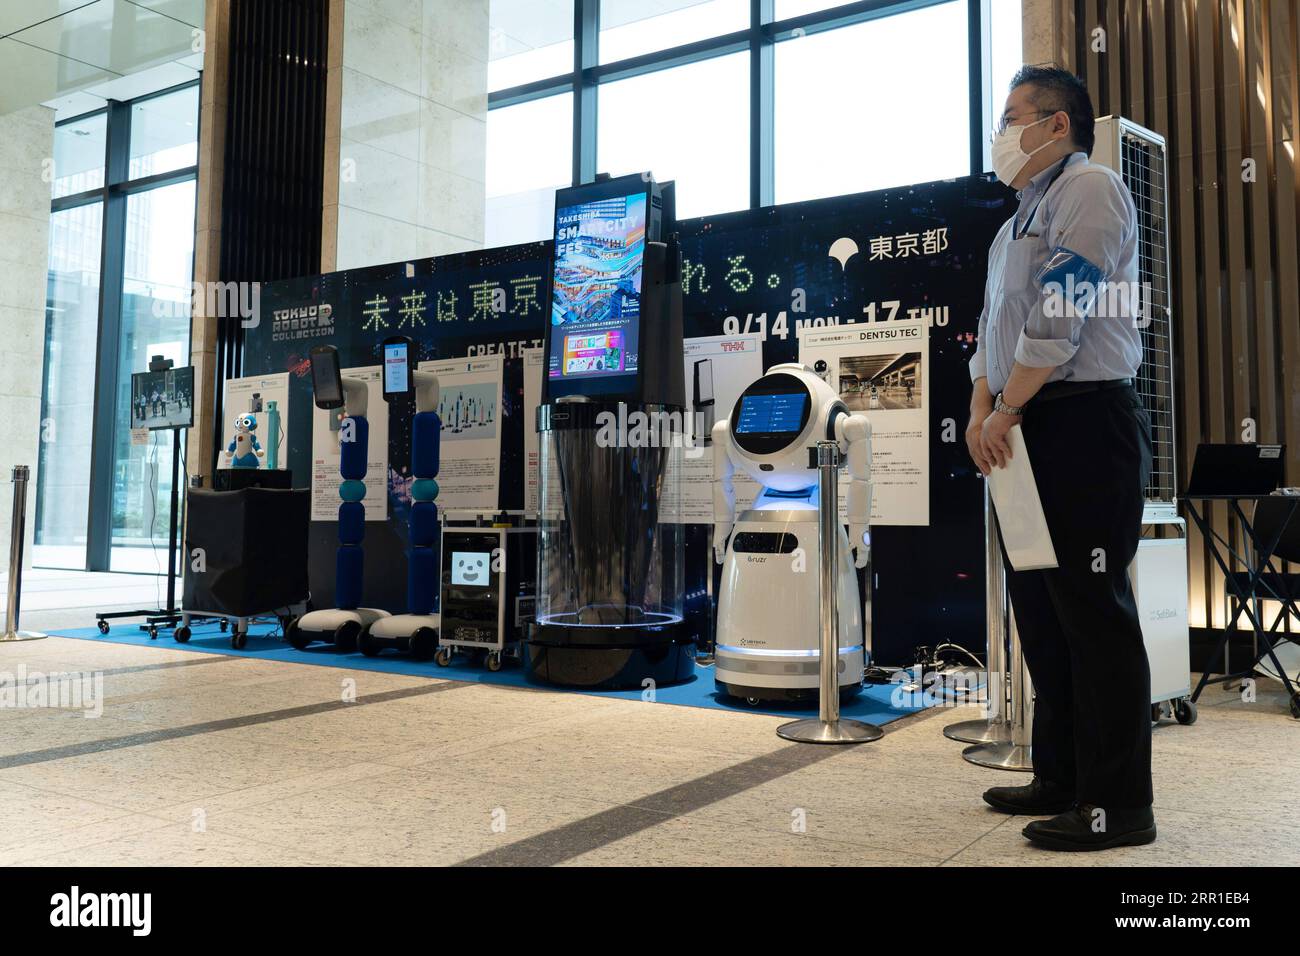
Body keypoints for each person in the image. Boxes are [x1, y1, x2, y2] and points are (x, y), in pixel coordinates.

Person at [966, 66, 1155, 851]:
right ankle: (1062, 777)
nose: (1002, 133)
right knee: (1042, 611)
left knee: (1094, 613)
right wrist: (983, 408)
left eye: (1013, 116)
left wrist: (1008, 405)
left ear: (1057, 125)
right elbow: (989, 330)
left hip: (1081, 421)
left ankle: (1118, 807)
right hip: (1018, 425)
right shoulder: (1010, 225)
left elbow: (1062, 312)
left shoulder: (1092, 189)